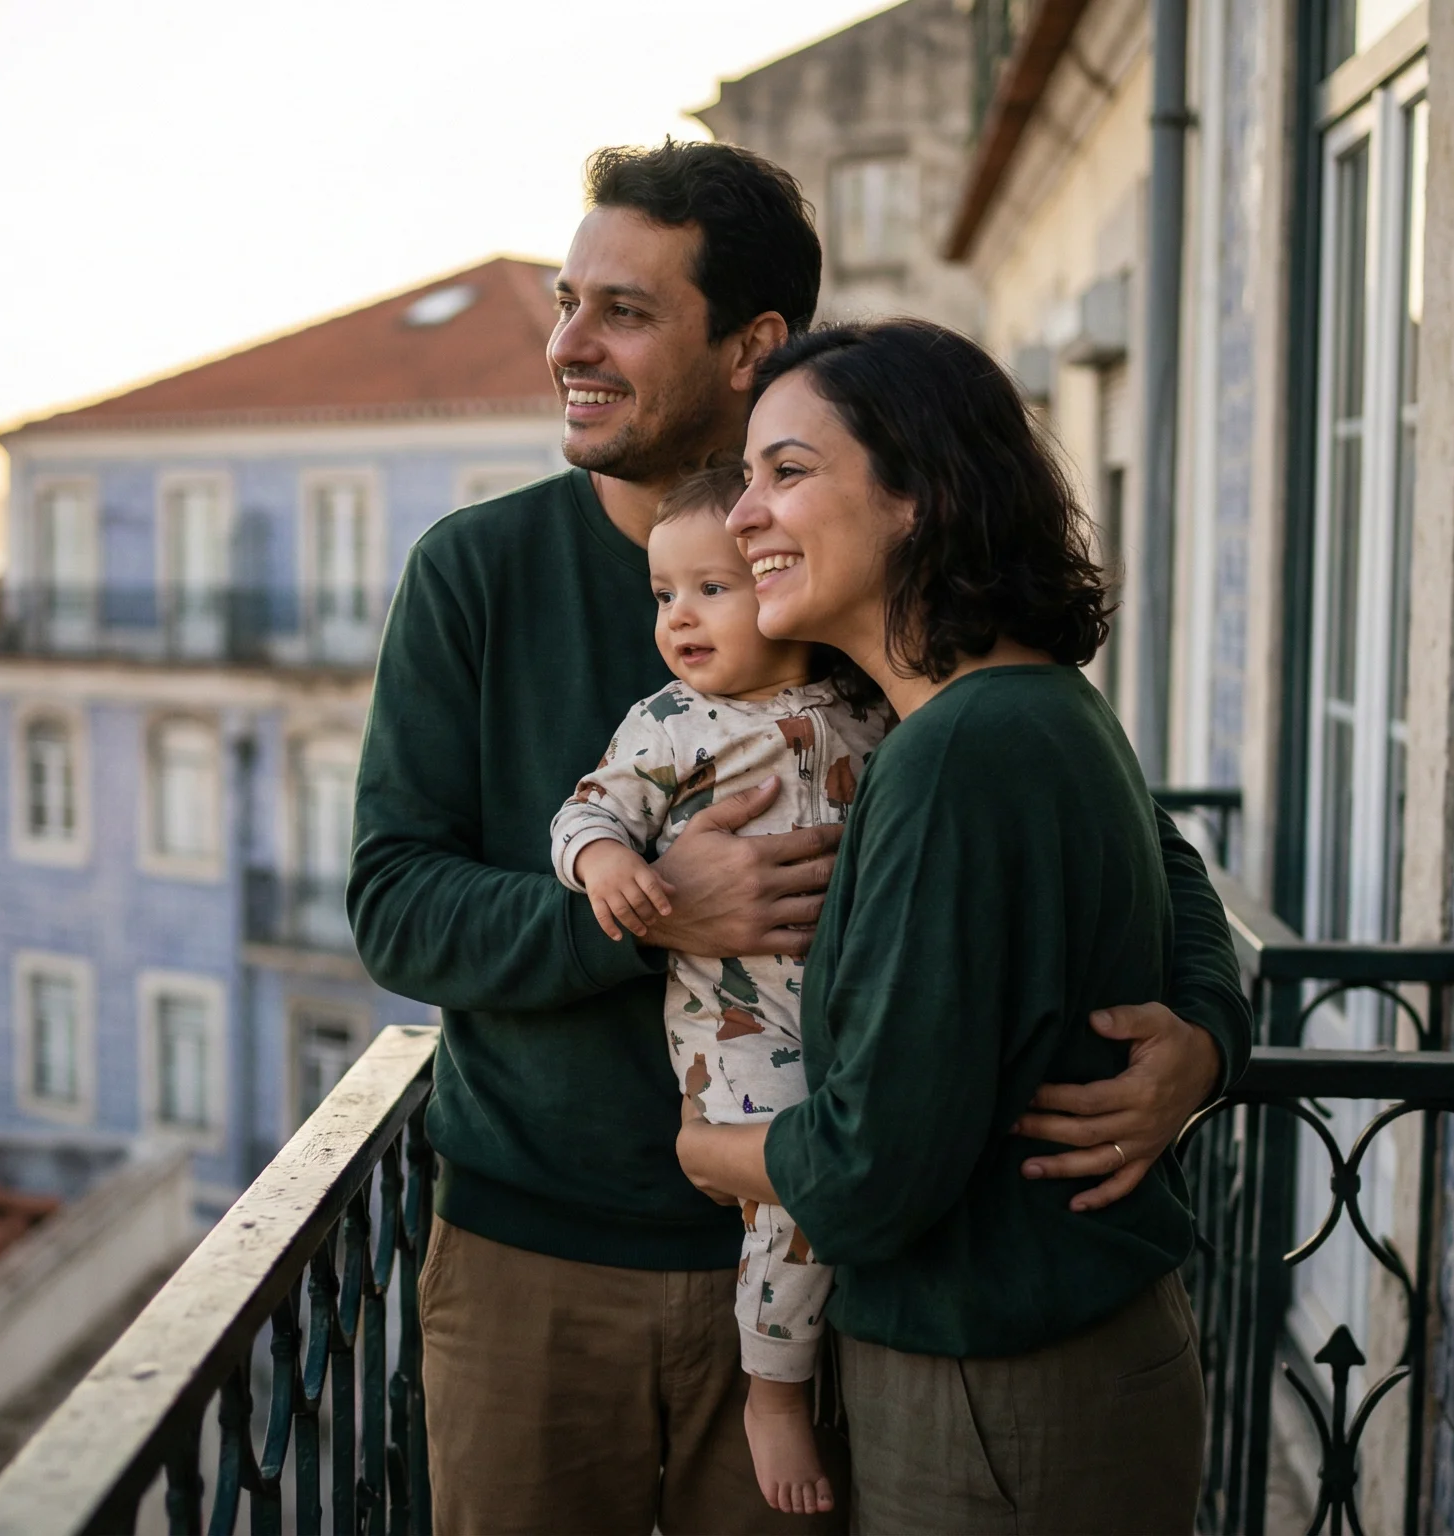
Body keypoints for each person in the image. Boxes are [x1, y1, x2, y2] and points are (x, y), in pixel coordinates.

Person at [347, 139, 1248, 1536]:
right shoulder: (477, 573)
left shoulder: (860, 612)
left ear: (753, 342)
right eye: (567, 302)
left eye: (624, 312)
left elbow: (1129, 840)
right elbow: (395, 906)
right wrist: (652, 907)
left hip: (818, 1265)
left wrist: (1200, 1033)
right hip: (542, 1259)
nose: (567, 345)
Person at [677, 319, 1209, 1533]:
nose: (743, 513)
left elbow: (869, 1173)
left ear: (919, 492)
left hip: (996, 1388)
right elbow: (1178, 879)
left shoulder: (959, 752)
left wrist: (707, 1154)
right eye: (747, 475)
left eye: (788, 472)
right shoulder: (1030, 706)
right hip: (1067, 1362)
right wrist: (1209, 1042)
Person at [548, 465, 891, 1517]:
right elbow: (585, 812)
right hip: (733, 1028)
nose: (680, 618)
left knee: (845, 1175)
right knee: (796, 1195)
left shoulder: (863, 701)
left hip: (846, 1014)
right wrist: (611, 870)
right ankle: (775, 1393)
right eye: (664, 596)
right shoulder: (669, 722)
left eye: (712, 589)